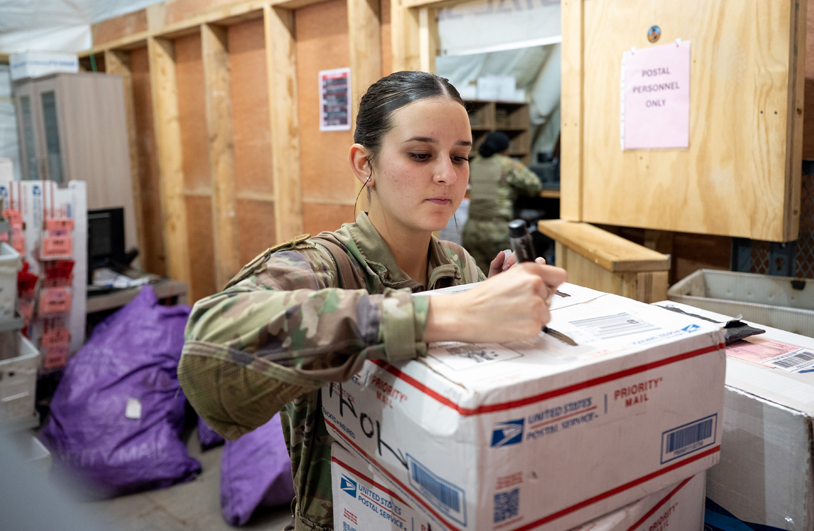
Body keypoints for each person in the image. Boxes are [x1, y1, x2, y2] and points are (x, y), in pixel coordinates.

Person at [177, 71, 566, 531]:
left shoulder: (458, 267)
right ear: (365, 165)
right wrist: (438, 315)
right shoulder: (321, 268)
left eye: (460, 157)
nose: (447, 175)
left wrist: (500, 308)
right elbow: (206, 361)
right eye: (421, 154)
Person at [462, 131, 542, 273]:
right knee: (504, 276)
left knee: (478, 278)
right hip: (496, 231)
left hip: (471, 230)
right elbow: (534, 184)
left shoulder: (474, 163)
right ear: (505, 150)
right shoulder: (507, 164)